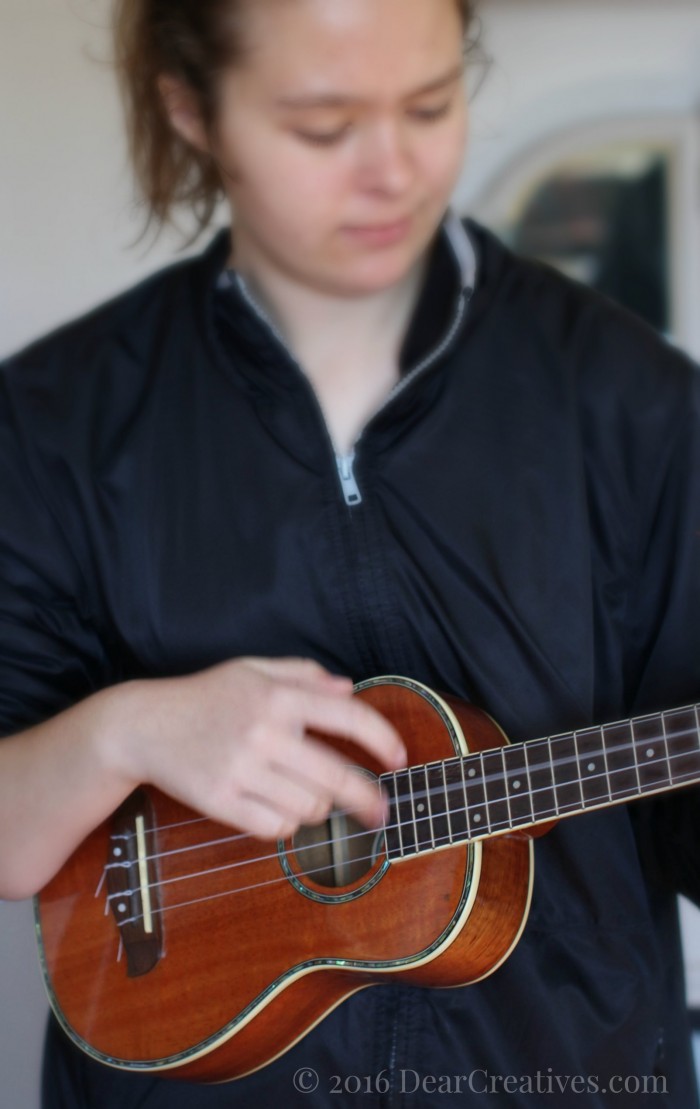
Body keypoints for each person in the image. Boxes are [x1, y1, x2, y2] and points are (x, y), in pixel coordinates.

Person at [2, 0, 700, 1105]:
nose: (393, 173)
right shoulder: (55, 426)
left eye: (428, 105)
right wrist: (126, 729)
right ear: (195, 111)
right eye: (323, 127)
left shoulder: (635, 404)